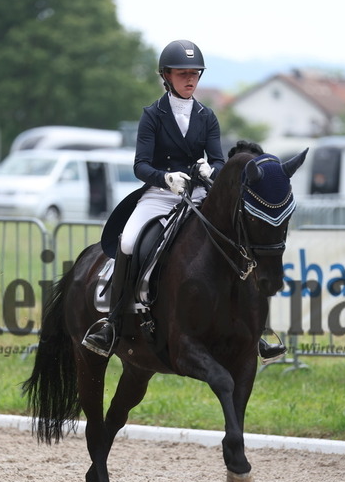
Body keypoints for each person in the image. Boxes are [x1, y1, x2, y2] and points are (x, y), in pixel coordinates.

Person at [82, 39, 286, 364]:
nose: (190, 80)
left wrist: (211, 169)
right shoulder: (152, 115)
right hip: (162, 194)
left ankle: (259, 327)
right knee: (130, 240)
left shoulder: (207, 116)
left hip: (201, 194)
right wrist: (165, 178)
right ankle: (112, 321)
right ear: (166, 75)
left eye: (195, 74)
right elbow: (140, 165)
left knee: (241, 241)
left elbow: (220, 161)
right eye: (182, 74)